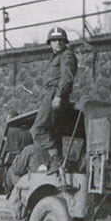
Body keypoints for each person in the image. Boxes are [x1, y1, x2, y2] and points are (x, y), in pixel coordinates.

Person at [29, 27, 78, 173]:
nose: (58, 43)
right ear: (50, 43)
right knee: (53, 132)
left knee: (37, 129)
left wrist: (58, 95)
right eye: (54, 40)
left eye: (61, 40)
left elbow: (67, 77)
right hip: (49, 95)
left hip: (55, 95)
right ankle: (58, 164)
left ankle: (57, 160)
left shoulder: (67, 55)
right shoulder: (55, 57)